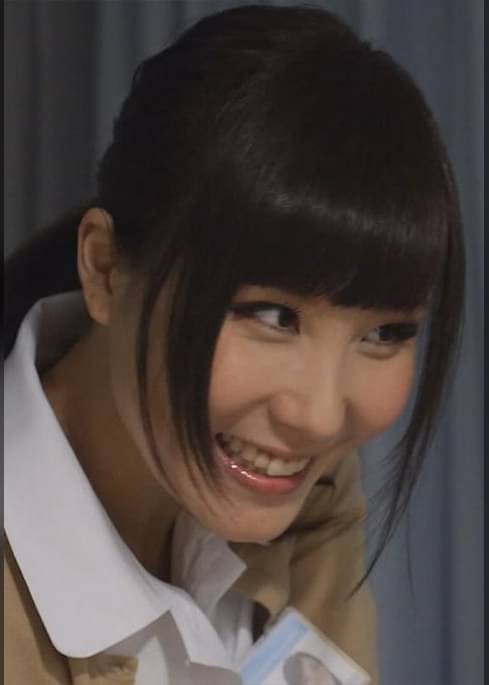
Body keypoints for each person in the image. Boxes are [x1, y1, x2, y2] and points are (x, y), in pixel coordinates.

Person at [4, 4, 464, 685]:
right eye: (273, 316)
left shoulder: (311, 499)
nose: (318, 417)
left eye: (383, 333)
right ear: (104, 271)